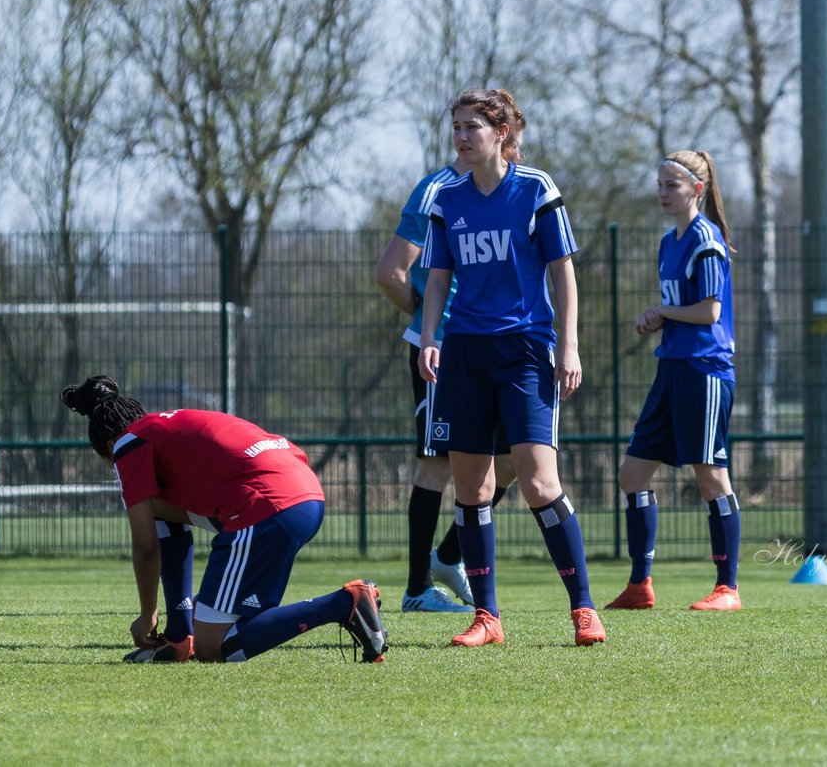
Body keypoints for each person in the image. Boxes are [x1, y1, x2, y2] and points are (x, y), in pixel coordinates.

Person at [418, 89, 605, 647]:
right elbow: (436, 280)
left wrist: (568, 348)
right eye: (456, 126)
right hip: (465, 353)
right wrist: (431, 337)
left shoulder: (535, 189)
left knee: (538, 480)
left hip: (524, 349)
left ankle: (584, 609)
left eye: (472, 125)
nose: (461, 135)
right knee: (471, 489)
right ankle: (487, 618)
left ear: (501, 133)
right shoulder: (445, 199)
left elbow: (563, 273)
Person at [60, 375, 388, 663]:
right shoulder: (167, 428)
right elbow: (172, 522)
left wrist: (147, 616)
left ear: (107, 446)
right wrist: (178, 632)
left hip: (266, 505)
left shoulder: (127, 444)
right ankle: (179, 636)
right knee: (211, 619)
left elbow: (146, 548)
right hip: (305, 494)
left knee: (213, 647)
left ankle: (345, 602)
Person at [376, 155, 517, 614]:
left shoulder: (515, 188)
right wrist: (426, 322)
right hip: (445, 349)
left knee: (513, 460)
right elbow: (390, 272)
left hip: (496, 345)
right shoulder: (437, 189)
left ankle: (448, 557)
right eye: (463, 126)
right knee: (438, 465)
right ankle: (417, 589)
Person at [604, 151, 742, 612]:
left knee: (711, 479)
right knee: (632, 474)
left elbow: (710, 312)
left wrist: (663, 312)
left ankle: (728, 588)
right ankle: (640, 585)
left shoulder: (706, 240)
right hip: (672, 367)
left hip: (705, 371)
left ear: (696, 190)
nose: (663, 193)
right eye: (660, 185)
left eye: (672, 185)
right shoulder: (669, 242)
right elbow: (682, 309)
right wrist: (657, 318)